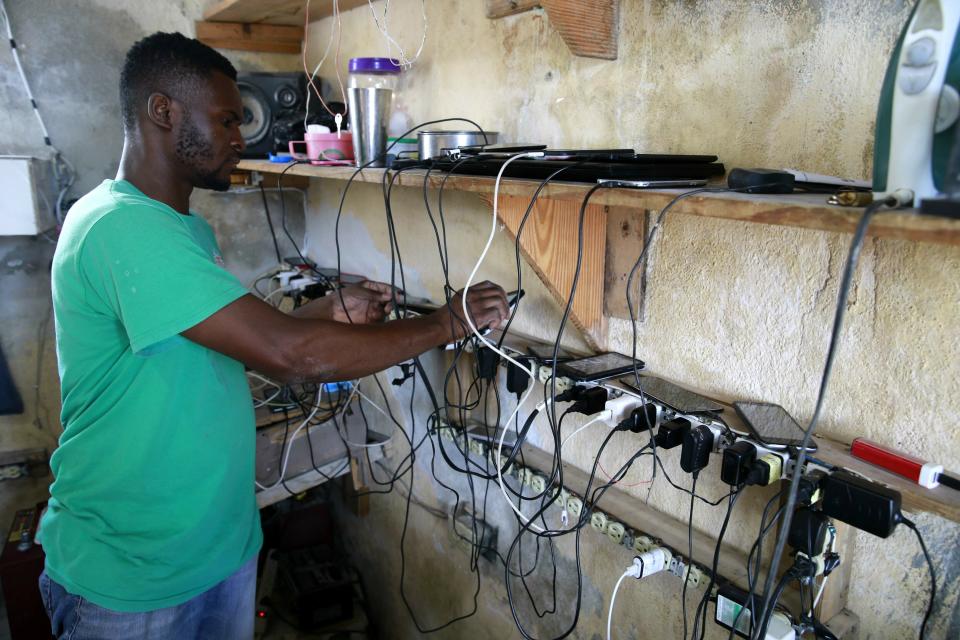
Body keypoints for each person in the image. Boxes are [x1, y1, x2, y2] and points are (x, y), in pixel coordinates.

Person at [38, 31, 508, 640]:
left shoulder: (177, 228)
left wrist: (325, 313)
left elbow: (217, 338)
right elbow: (295, 359)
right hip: (131, 580)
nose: (242, 138)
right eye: (227, 120)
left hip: (216, 552)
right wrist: (447, 323)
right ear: (162, 111)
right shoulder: (121, 229)